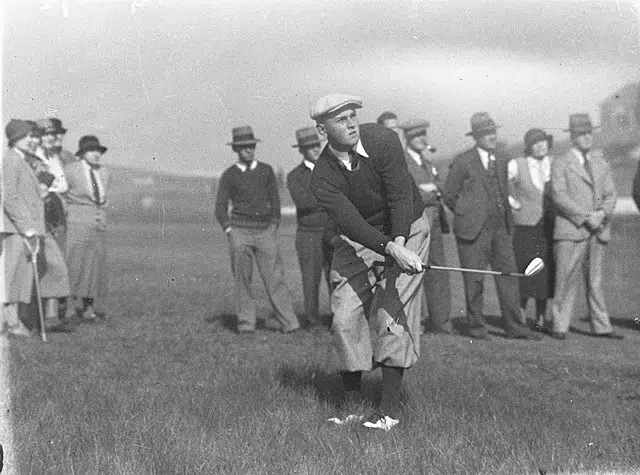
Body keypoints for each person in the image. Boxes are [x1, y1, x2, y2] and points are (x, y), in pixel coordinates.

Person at [309, 94, 430, 430]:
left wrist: (401, 243)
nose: (351, 124)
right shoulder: (321, 176)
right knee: (345, 314)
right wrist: (389, 248)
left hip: (408, 227)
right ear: (322, 129)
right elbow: (351, 224)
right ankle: (350, 407)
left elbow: (400, 196)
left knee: (392, 312)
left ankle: (388, 412)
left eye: (352, 116)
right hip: (361, 237)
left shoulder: (383, 139)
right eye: (340, 120)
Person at [442, 112, 542, 341]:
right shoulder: (463, 160)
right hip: (472, 232)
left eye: (493, 132)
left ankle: (515, 328)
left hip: (501, 230)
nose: (492, 136)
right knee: (474, 281)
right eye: (486, 133)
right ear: (476, 137)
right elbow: (449, 195)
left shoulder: (504, 158)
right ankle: (476, 328)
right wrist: (467, 214)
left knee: (509, 278)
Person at [215, 126, 300, 334]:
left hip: (265, 232)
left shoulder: (266, 171)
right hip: (239, 233)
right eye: (244, 148)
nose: (249, 151)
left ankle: (290, 324)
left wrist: (273, 226)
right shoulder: (228, 175)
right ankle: (246, 324)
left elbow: (275, 201)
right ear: (236, 150)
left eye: (251, 146)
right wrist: (230, 231)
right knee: (242, 279)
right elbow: (220, 207)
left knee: (274, 278)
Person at [550, 114, 621, 340]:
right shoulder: (561, 162)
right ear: (572, 137)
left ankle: (601, 326)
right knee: (565, 279)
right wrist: (585, 217)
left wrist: (601, 214)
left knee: (595, 280)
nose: (587, 137)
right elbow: (558, 195)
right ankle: (559, 326)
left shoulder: (600, 163)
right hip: (571, 230)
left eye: (590, 132)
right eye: (582, 134)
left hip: (597, 229)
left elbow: (611, 194)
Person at [401, 119, 453, 334]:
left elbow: (442, 185)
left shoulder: (427, 162)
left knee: (438, 271)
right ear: (408, 138)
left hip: (436, 223)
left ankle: (441, 322)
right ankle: (416, 321)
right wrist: (431, 191)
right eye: (416, 136)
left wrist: (431, 189)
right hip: (417, 223)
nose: (422, 139)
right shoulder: (403, 162)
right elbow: (410, 193)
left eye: (424, 134)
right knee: (414, 270)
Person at [507, 128, 556, 332]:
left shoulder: (553, 164)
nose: (540, 146)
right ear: (528, 146)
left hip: (547, 227)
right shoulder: (517, 164)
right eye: (535, 143)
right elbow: (503, 186)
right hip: (524, 227)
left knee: (545, 273)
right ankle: (520, 316)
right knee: (525, 270)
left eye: (543, 141)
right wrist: (513, 204)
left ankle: (541, 318)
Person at [1, 120, 46, 337]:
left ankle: (12, 321)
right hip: (16, 228)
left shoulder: (20, 160)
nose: (31, 141)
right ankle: (10, 322)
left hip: (21, 227)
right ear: (15, 139)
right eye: (26, 137)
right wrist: (28, 229)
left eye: (32, 137)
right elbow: (9, 198)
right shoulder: (12, 160)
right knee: (11, 276)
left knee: (18, 275)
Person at [287, 127, 332, 328]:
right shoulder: (294, 175)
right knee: (311, 279)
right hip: (308, 234)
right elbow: (303, 202)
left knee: (336, 276)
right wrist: (330, 198)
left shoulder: (332, 169)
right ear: (302, 150)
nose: (315, 150)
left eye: (317, 145)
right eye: (310, 147)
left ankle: (339, 317)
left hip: (333, 232)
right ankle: (312, 320)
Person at [64, 136, 110, 322]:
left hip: (98, 223)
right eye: (92, 151)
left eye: (99, 151)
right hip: (77, 222)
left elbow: (103, 196)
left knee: (94, 267)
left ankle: (89, 307)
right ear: (82, 153)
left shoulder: (105, 172)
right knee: (75, 264)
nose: (96, 154)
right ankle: (67, 307)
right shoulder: (70, 170)